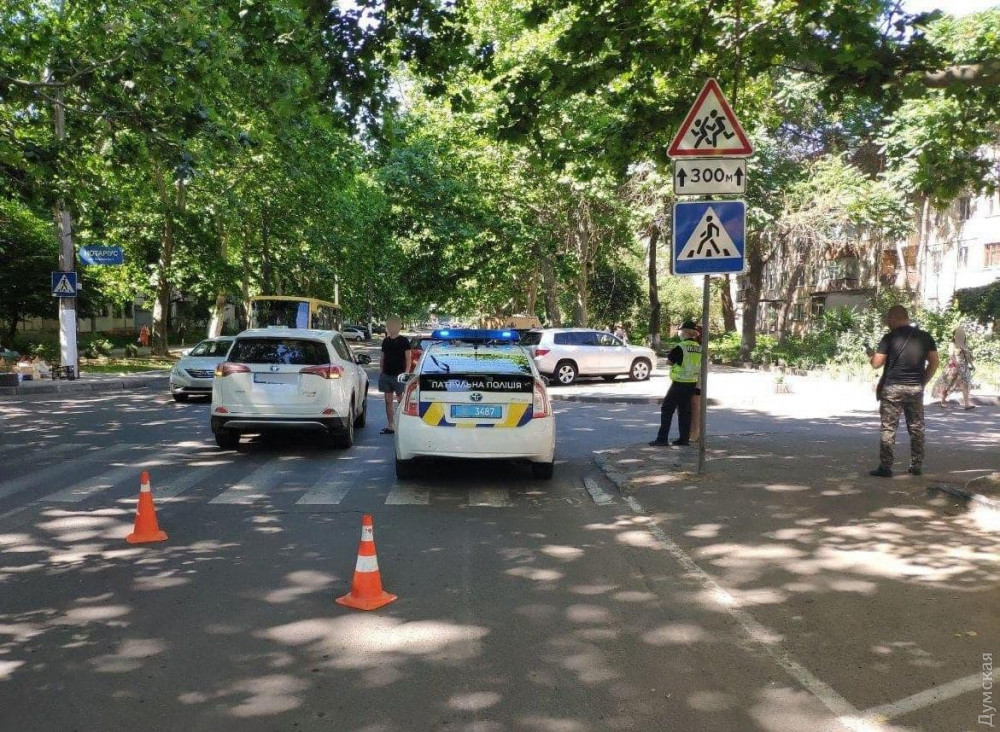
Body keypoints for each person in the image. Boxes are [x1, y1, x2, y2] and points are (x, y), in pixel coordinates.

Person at [867, 305, 939, 477]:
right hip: (915, 388)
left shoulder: (889, 338)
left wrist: (870, 355)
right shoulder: (925, 337)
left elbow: (876, 364)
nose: (887, 322)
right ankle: (916, 465)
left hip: (892, 388)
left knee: (888, 428)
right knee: (916, 428)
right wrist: (922, 382)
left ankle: (886, 467)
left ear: (894, 318)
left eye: (888, 319)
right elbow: (934, 362)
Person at [649, 320, 702, 447]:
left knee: (667, 409)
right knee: (685, 411)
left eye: (680, 331)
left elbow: (669, 362)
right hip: (691, 383)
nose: (679, 333)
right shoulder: (699, 348)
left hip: (679, 382)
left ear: (684, 332)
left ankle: (662, 439)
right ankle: (684, 439)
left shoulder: (681, 347)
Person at [379, 315, 412, 435]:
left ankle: (404, 425)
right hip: (386, 375)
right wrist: (381, 371)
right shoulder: (386, 341)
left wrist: (406, 374)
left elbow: (408, 359)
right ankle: (390, 425)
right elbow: (382, 357)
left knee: (401, 401)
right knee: (388, 401)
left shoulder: (404, 341)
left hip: (399, 376)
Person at [933, 327, 975, 410]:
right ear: (954, 336)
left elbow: (968, 357)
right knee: (948, 384)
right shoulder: (952, 344)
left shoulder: (965, 344)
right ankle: (943, 400)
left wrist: (972, 365)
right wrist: (957, 363)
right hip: (953, 367)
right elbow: (951, 356)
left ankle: (966, 404)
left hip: (964, 367)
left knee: (965, 384)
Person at [689, 324, 704, 443]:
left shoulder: (701, 348)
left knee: (695, 407)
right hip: (687, 380)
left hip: (697, 381)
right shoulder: (689, 346)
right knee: (689, 407)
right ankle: (690, 431)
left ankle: (695, 432)